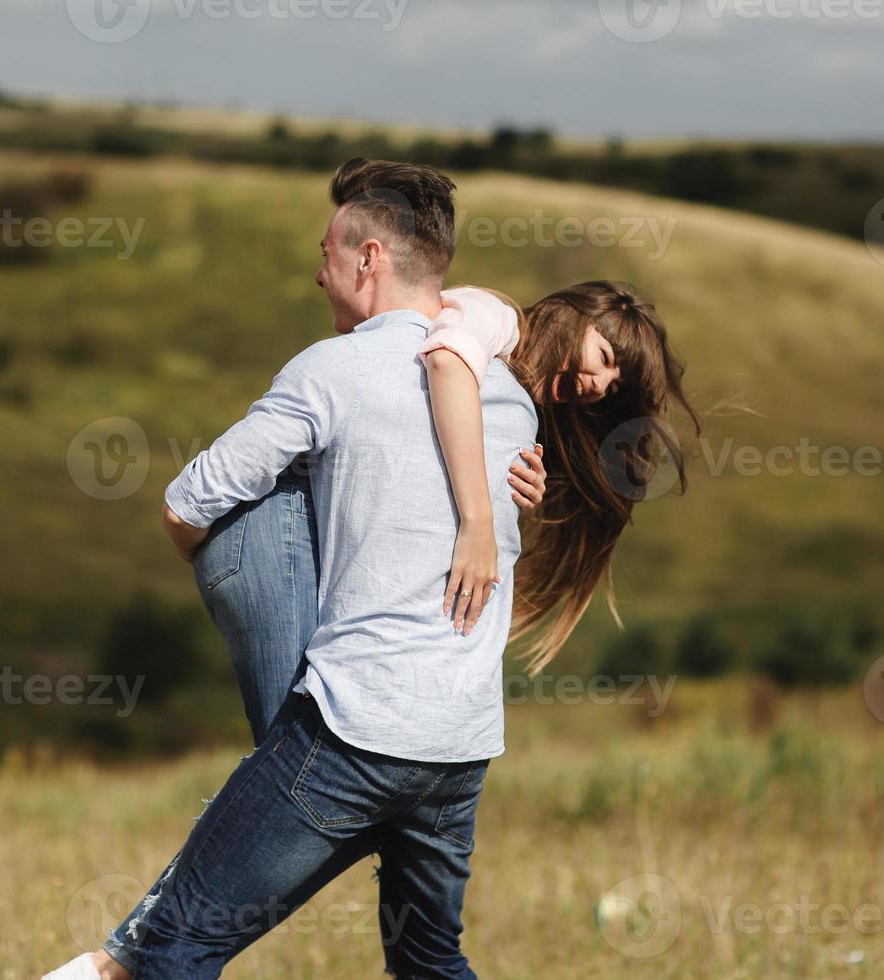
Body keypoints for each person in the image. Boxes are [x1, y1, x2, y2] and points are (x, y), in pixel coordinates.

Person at [45, 159, 695, 979]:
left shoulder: (344, 367)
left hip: (358, 728)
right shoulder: (514, 397)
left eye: (327, 251)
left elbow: (186, 503)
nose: (318, 270)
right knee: (428, 959)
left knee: (173, 946)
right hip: (460, 748)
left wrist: (232, 575)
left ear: (369, 259)